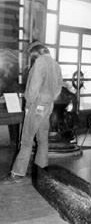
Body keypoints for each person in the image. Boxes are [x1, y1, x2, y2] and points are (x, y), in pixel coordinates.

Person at [1, 41, 63, 184]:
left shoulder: (40, 62)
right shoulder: (55, 64)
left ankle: (17, 174)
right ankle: (42, 173)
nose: (33, 59)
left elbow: (33, 87)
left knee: (27, 141)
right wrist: (49, 99)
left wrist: (29, 102)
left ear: (38, 53)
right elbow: (59, 87)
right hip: (48, 106)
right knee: (43, 140)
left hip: (35, 106)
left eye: (33, 56)